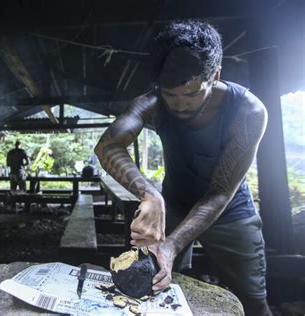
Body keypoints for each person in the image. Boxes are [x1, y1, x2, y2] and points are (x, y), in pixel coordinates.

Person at [95, 21, 271, 315]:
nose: (179, 106)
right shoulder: (151, 103)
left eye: (191, 94)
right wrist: (150, 194)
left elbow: (219, 193)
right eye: (170, 95)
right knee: (158, 285)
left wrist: (172, 244)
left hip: (229, 211)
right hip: (174, 204)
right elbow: (107, 146)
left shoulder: (248, 111)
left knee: (253, 299)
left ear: (214, 76)